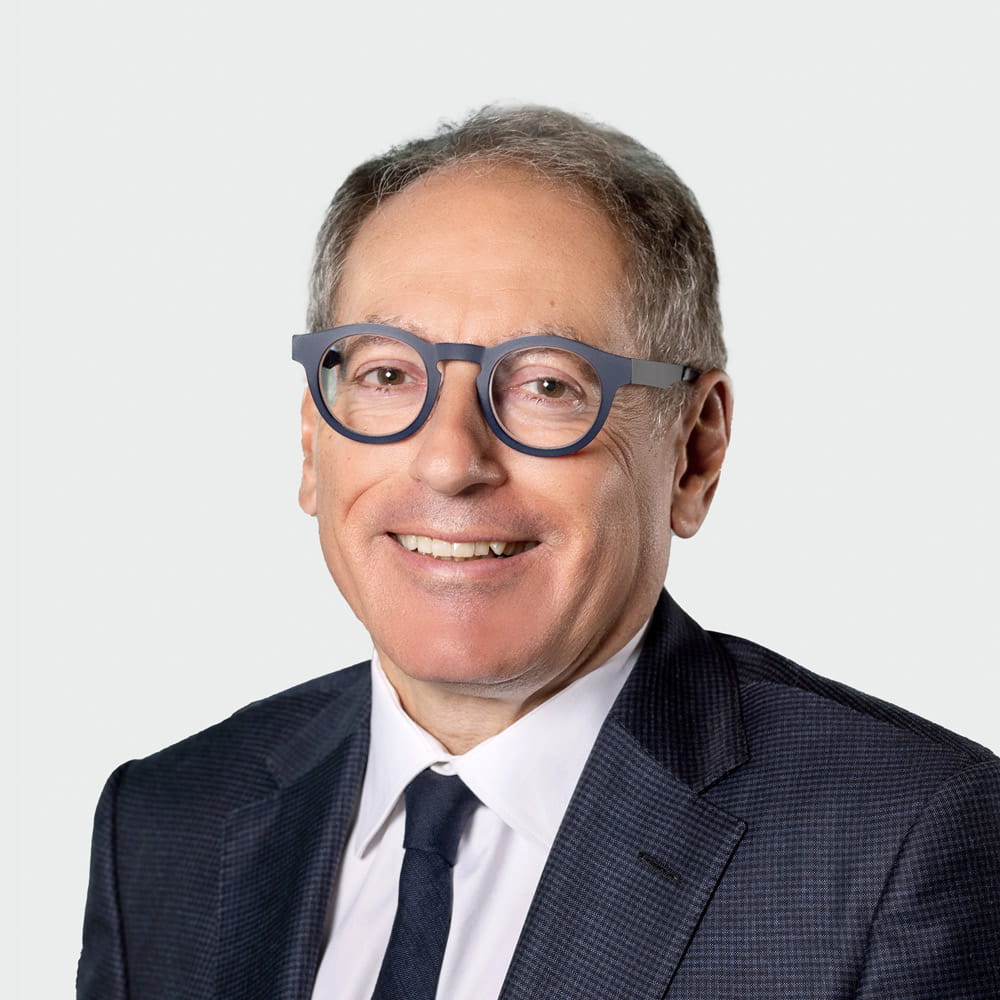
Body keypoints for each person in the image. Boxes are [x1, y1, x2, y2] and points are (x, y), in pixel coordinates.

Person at [77, 106, 1000, 999]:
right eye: (388, 374)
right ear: (314, 440)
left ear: (694, 451)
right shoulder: (165, 825)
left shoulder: (904, 847)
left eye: (549, 385)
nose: (449, 460)